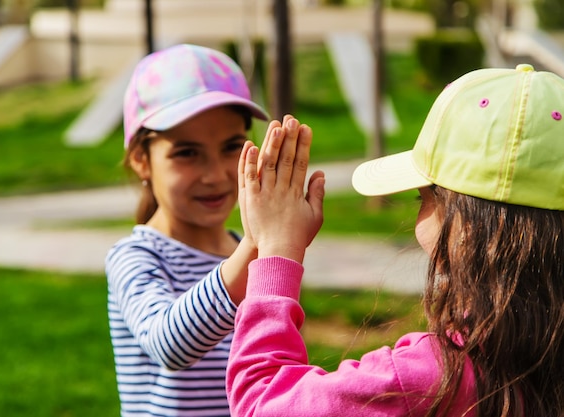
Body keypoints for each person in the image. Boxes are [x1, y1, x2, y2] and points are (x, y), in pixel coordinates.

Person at [227, 63, 564, 417]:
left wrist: (277, 249)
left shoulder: (429, 380)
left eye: (425, 198)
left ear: (468, 226)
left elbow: (261, 403)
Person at [105, 43, 269, 417]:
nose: (215, 175)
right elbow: (169, 345)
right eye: (187, 153)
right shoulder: (135, 256)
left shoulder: (245, 254)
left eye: (231, 147)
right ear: (141, 160)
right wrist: (258, 246)